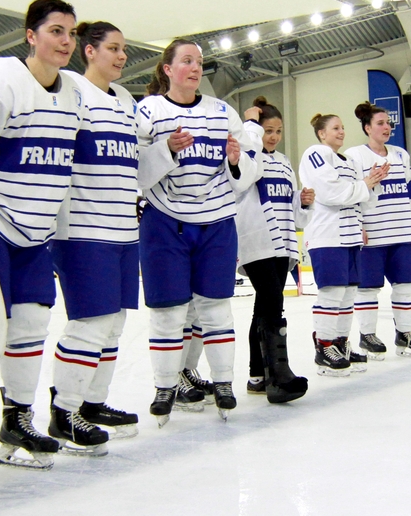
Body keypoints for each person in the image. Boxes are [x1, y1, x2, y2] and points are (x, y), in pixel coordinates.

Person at [0, 0, 87, 465]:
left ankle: (16, 421)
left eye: (71, 33)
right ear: (30, 36)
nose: (66, 41)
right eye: (56, 31)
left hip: (36, 233)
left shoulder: (74, 93)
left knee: (31, 325)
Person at [136, 39, 256, 424]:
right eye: (186, 61)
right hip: (164, 221)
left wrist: (237, 162)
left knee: (216, 307)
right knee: (168, 311)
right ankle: (165, 385)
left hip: (216, 220)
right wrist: (167, 150)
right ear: (167, 69)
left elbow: (250, 170)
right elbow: (135, 172)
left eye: (199, 62)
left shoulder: (222, 112)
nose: (194, 67)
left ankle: (223, 382)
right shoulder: (149, 111)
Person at [46, 21, 143, 449]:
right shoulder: (70, 89)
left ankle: (91, 403)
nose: (122, 56)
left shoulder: (125, 99)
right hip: (84, 228)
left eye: (124, 50)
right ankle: (63, 411)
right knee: (90, 322)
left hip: (124, 229)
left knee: (114, 324)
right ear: (89, 51)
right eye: (113, 48)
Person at [299, 114, 390, 373]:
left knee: (349, 293)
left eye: (342, 128)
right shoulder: (315, 153)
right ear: (321, 134)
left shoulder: (349, 161)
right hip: (328, 235)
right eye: (335, 128)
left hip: (350, 236)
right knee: (332, 292)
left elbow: (363, 199)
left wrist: (373, 183)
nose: (341, 132)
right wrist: (364, 185)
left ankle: (340, 342)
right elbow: (330, 193)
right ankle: (324, 346)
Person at [235, 96, 311, 402]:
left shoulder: (283, 161)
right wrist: (248, 132)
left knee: (265, 307)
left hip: (283, 244)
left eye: (278, 130)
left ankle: (259, 374)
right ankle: (278, 373)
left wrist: (302, 202)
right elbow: (240, 186)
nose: (274, 136)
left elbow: (292, 208)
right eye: (268, 129)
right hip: (257, 242)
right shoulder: (247, 156)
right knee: (271, 302)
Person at [346, 102, 411, 356]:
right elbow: (352, 193)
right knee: (368, 287)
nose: (386, 127)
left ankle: (404, 333)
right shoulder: (354, 155)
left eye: (388, 123)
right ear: (367, 128)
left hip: (400, 232)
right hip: (373, 234)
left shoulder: (400, 154)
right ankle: (367, 335)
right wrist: (358, 224)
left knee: (405, 284)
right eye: (380, 123)